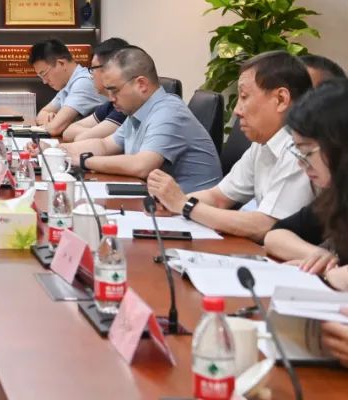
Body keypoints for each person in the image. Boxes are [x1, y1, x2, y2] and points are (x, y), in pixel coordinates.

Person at [148, 51, 314, 241]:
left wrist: (184, 205)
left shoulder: (300, 149)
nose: (236, 110)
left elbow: (265, 226)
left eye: (244, 96)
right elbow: (219, 198)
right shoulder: (262, 144)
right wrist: (172, 202)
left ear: (281, 99)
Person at [63, 47, 222, 192]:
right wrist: (60, 151)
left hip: (192, 208)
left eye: (114, 90)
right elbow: (105, 145)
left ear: (141, 84)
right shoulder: (137, 111)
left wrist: (85, 161)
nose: (110, 98)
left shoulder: (169, 112)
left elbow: (142, 166)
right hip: (160, 202)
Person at [263, 79, 348, 290]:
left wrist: (330, 275)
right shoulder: (337, 196)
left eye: (307, 152)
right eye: (298, 153)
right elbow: (276, 235)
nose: (301, 164)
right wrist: (319, 257)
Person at [29, 39, 106, 137]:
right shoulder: (68, 84)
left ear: (61, 63)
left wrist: (55, 123)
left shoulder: (83, 82)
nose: (44, 81)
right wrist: (50, 119)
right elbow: (42, 114)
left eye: (44, 74)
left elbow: (55, 128)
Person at [61, 38, 130, 142]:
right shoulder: (110, 104)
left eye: (93, 68)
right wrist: (96, 132)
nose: (91, 75)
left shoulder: (124, 107)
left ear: (109, 69)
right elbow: (68, 133)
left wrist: (93, 133)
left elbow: (82, 138)